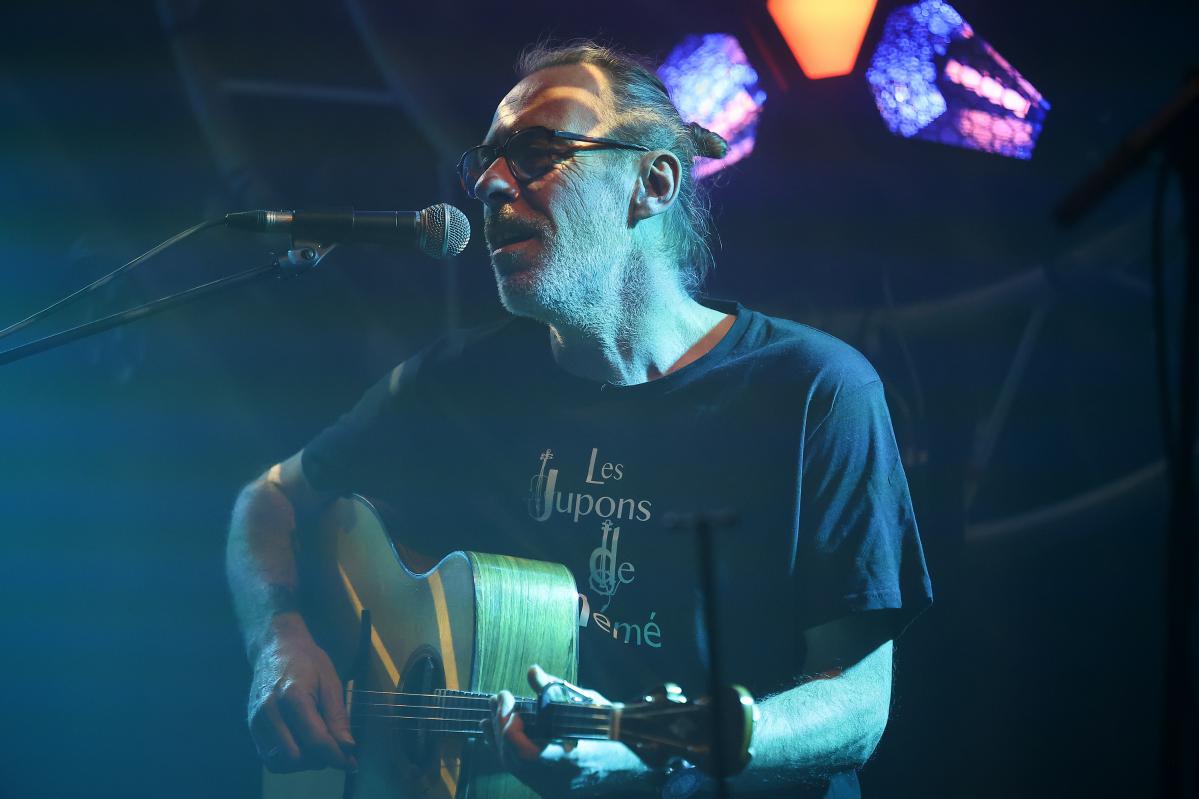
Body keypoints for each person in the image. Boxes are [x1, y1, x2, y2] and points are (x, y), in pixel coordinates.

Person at [226, 41, 932, 798]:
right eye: (485, 163)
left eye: (537, 152)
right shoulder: (458, 382)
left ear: (651, 183)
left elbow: (858, 707)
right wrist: (280, 640)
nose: (490, 184)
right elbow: (267, 500)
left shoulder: (812, 389)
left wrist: (662, 748)